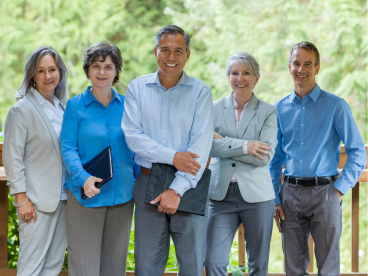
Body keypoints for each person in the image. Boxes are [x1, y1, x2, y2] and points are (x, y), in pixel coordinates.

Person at [121, 25, 213, 276]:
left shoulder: (201, 93)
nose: (171, 57)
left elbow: (200, 149)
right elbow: (133, 137)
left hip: (190, 186)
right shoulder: (137, 89)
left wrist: (176, 189)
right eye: (165, 50)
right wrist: (172, 156)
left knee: (192, 267)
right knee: (146, 267)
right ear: (155, 52)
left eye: (178, 51)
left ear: (188, 55)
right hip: (147, 183)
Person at [270, 41, 367, 275]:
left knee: (329, 267)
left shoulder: (336, 106)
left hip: (326, 193)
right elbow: (274, 160)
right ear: (289, 67)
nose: (301, 69)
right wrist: (275, 198)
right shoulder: (279, 109)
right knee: (293, 268)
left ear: (317, 68)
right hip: (290, 195)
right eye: (296, 63)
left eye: (307, 64)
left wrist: (339, 189)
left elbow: (357, 151)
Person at [60, 42, 139, 276]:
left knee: (115, 269)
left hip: (123, 196)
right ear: (88, 70)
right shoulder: (75, 106)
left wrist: (136, 182)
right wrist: (83, 178)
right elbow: (67, 148)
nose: (102, 72)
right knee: (84, 268)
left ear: (116, 72)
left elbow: (138, 147)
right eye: (96, 66)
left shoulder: (128, 105)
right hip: (85, 195)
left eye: (108, 66)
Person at [204, 52, 278, 276]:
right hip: (220, 196)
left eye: (246, 73)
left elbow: (264, 156)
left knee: (258, 264)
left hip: (258, 197)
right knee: (213, 261)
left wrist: (223, 142)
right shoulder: (213, 108)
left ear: (256, 77)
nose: (240, 78)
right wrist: (246, 146)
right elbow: (206, 147)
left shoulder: (268, 111)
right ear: (228, 77)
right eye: (234, 73)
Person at [3, 46, 69, 276]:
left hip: (63, 199)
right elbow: (12, 157)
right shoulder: (21, 110)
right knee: (31, 268)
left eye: (52, 69)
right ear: (32, 75)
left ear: (60, 72)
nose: (48, 76)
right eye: (41, 71)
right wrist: (22, 199)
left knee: (52, 266)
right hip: (36, 203)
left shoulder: (61, 108)